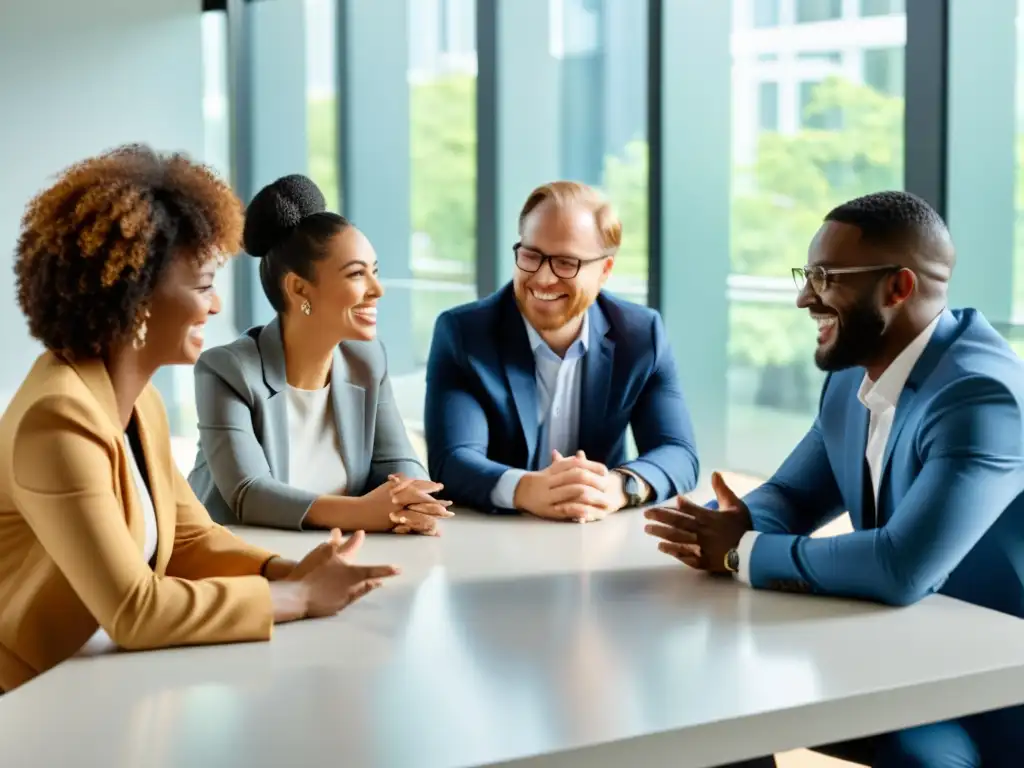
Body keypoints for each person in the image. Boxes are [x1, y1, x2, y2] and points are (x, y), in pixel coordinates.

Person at [0, 146, 400, 693]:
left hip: (107, 677)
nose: (215, 307)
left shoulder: (140, 402)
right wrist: (298, 598)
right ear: (137, 299)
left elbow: (190, 540)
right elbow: (136, 611)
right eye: (204, 285)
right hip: (28, 696)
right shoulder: (57, 420)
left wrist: (288, 571)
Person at [646, 190, 1024, 766]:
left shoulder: (980, 396)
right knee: (707, 712)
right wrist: (741, 523)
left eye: (824, 278)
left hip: (987, 692)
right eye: (807, 274)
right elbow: (794, 492)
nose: (804, 298)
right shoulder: (854, 377)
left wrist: (742, 552)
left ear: (898, 288)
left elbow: (902, 567)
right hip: (894, 650)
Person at [188, 174, 451, 535]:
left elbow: (397, 460)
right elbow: (249, 493)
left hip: (342, 556)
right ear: (298, 288)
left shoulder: (367, 361)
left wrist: (413, 499)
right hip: (237, 562)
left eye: (374, 272)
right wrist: (363, 513)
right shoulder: (227, 370)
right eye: (357, 274)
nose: (377, 290)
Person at [425, 180, 699, 521]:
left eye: (566, 263)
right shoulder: (464, 334)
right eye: (531, 255)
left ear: (605, 270)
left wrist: (618, 487)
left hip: (598, 538)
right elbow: (451, 460)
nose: (542, 278)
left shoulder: (641, 335)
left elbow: (679, 453)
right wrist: (526, 489)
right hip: (495, 536)